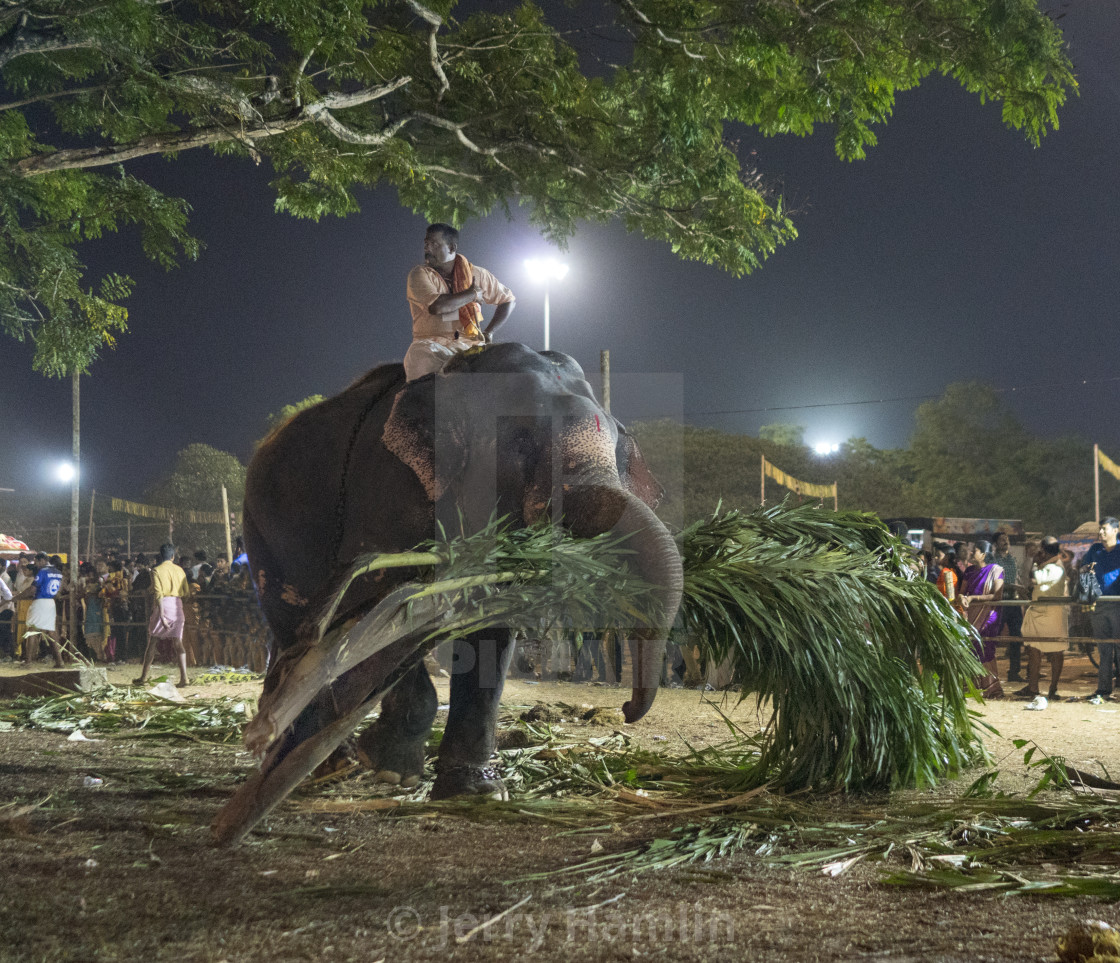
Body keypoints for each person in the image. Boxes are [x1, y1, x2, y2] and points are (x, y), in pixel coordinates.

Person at [403, 223, 516, 381]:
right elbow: (437, 306)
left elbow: (508, 300)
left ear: (451, 248)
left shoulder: (476, 274)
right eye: (426, 244)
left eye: (434, 244)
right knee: (420, 359)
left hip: (469, 347)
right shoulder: (419, 274)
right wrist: (472, 294)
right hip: (431, 346)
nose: (427, 249)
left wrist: (489, 332)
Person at [1018, 537, 1069, 702]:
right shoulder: (1049, 566)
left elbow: (1034, 579)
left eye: (1040, 550)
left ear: (1045, 552)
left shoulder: (1055, 568)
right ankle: (1033, 687)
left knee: (1056, 651)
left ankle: (1052, 689)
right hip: (1039, 613)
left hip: (1052, 615)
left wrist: (1033, 562)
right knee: (1033, 649)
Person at [134, 544, 191, 688]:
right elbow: (186, 593)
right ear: (173, 556)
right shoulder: (180, 570)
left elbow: (158, 594)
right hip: (177, 606)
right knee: (178, 643)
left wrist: (163, 615)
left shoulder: (156, 570)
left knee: (153, 641)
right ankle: (184, 677)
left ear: (161, 555)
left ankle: (143, 677)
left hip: (163, 606)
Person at [959, 540, 1005, 698]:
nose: (971, 554)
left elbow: (997, 595)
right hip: (971, 615)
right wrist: (962, 598)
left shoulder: (996, 570)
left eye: (975, 551)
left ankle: (993, 689)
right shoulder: (969, 571)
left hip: (989, 615)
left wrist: (973, 598)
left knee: (985, 648)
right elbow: (962, 591)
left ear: (984, 554)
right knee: (971, 648)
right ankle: (974, 686)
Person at [1083, 517, 1120, 703]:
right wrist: (1085, 572)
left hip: (1118, 604)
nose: (1101, 533)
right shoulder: (1095, 550)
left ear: (1116, 529)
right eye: (1100, 530)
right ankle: (1103, 688)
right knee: (1104, 649)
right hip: (1098, 604)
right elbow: (1082, 568)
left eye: (1105, 529)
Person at [15, 553, 65, 667]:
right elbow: (58, 590)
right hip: (51, 603)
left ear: (42, 560)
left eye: (36, 562)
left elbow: (32, 589)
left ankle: (28, 661)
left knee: (32, 630)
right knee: (51, 632)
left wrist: (17, 597)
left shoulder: (43, 571)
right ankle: (59, 661)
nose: (35, 565)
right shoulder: (58, 572)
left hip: (40, 601)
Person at [992, 532, 1025, 683]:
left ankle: (1014, 672)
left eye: (1007, 539)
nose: (1005, 542)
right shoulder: (992, 559)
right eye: (1002, 540)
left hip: (1013, 602)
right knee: (992, 637)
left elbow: (1017, 576)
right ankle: (988, 672)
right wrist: (1014, 586)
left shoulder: (1013, 559)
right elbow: (993, 581)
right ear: (995, 544)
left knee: (1017, 637)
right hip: (999, 602)